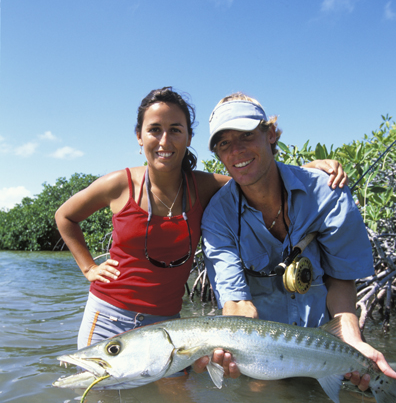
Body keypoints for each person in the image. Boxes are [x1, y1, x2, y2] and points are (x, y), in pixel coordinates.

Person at [55, 87, 347, 353]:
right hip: (108, 315)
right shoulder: (119, 184)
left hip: (167, 323)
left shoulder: (204, 186)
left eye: (175, 129)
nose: (164, 141)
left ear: (189, 137)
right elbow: (65, 216)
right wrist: (88, 266)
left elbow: (255, 175)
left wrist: (308, 171)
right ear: (139, 136)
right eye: (154, 130)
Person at [199, 93, 396, 391]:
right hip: (263, 359)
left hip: (330, 341)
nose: (236, 150)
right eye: (224, 143)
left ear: (272, 134)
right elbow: (236, 302)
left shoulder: (328, 191)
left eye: (247, 135)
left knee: (369, 402)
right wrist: (231, 346)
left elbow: (341, 280)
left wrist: (352, 341)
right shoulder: (217, 216)